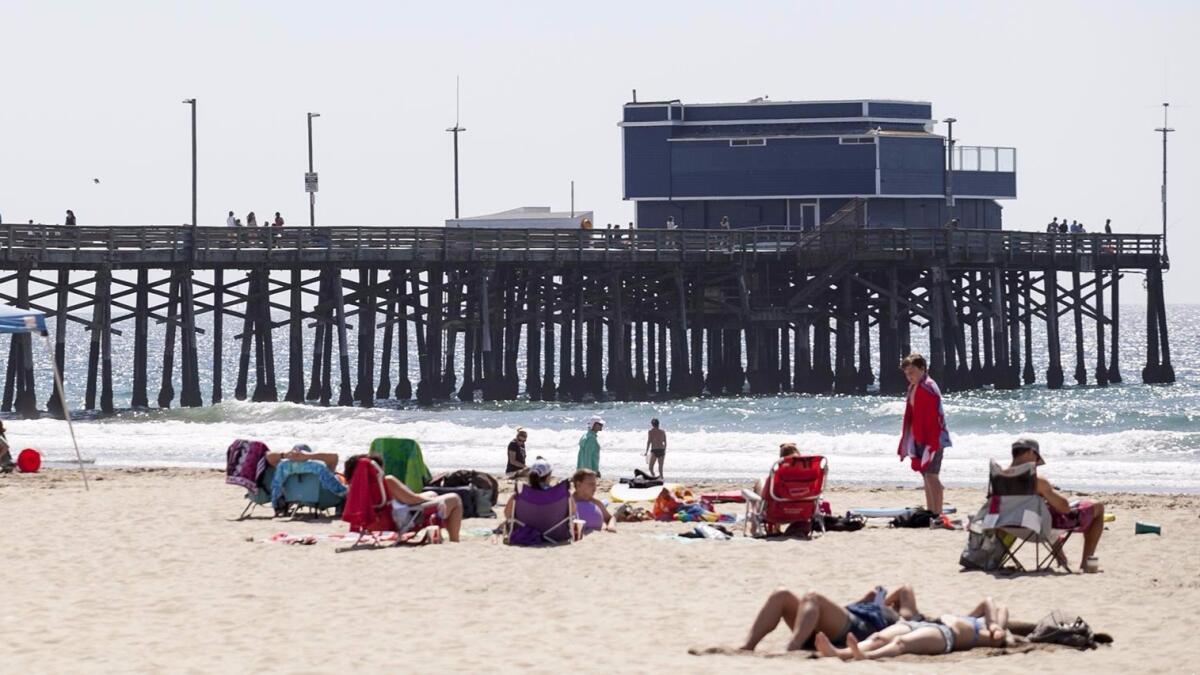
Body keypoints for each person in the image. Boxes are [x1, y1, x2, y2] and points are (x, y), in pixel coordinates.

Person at [1010, 437, 1105, 572]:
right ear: (1030, 453)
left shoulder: (999, 478)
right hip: (1037, 529)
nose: (1036, 463)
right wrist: (1050, 494)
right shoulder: (1036, 480)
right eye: (1036, 457)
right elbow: (1064, 508)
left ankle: (1061, 558)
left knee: (1045, 513)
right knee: (1098, 506)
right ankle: (1086, 563)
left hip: (1010, 526)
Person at [815, 597, 1015, 660]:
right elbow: (987, 602)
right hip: (925, 623)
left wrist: (996, 625)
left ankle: (864, 657)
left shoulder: (990, 635)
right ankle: (841, 652)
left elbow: (1000, 607)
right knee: (877, 637)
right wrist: (990, 620)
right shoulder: (976, 619)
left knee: (901, 643)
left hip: (945, 635)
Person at [740, 585, 921, 652]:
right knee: (781, 594)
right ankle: (747, 646)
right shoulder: (871, 606)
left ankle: (791, 649)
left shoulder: (904, 618)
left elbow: (905, 589)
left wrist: (884, 604)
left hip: (858, 629)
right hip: (829, 623)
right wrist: (871, 600)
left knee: (813, 597)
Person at [344, 453, 463, 542]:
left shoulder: (355, 489)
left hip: (373, 523)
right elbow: (412, 499)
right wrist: (434, 501)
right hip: (401, 521)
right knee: (455, 498)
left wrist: (433, 497)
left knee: (432, 493)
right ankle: (454, 540)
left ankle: (439, 535)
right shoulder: (387, 481)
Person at [897, 353, 950, 516]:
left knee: (932, 476)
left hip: (933, 438)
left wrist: (932, 442)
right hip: (919, 437)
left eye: (912, 372)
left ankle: (938, 514)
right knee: (926, 476)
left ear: (922, 369)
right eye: (906, 373)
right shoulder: (914, 387)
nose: (909, 376)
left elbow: (935, 417)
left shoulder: (928, 387)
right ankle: (931, 512)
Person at [571, 468, 615, 533]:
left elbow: (610, 518)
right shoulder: (568, 502)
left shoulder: (595, 502)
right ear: (578, 485)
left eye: (595, 484)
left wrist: (611, 526)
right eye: (591, 484)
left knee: (605, 503)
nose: (594, 488)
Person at [265, 443, 338, 472]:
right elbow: (334, 457)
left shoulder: (285, 468)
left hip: (294, 495)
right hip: (321, 496)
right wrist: (309, 456)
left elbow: (267, 456)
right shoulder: (318, 468)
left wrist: (284, 455)